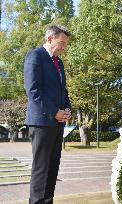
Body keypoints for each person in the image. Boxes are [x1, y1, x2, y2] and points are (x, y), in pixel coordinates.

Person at [24, 25, 72, 204]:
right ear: (50, 39)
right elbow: (33, 91)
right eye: (62, 43)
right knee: (41, 169)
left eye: (66, 44)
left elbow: (63, 91)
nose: (64, 47)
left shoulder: (59, 62)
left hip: (58, 123)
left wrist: (67, 109)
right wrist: (54, 112)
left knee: (52, 169)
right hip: (42, 122)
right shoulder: (35, 56)